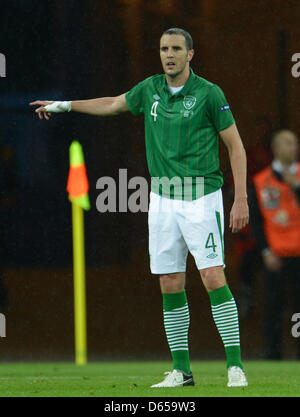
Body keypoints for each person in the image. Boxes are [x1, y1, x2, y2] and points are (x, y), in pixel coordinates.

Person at [29, 28, 249, 388]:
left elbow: (235, 147)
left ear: (190, 54)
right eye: (164, 48)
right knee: (169, 281)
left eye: (176, 48)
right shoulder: (150, 90)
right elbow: (112, 104)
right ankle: (182, 371)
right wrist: (66, 105)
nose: (169, 54)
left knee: (212, 277)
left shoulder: (210, 94)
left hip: (201, 197)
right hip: (162, 200)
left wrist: (240, 198)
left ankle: (235, 366)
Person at [250, 129, 300, 359]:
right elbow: (256, 222)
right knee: (274, 306)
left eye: (295, 144)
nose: (293, 148)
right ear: (276, 149)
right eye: (288, 143)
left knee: (298, 309)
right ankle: (273, 354)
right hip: (276, 254)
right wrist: (265, 251)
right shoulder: (261, 181)